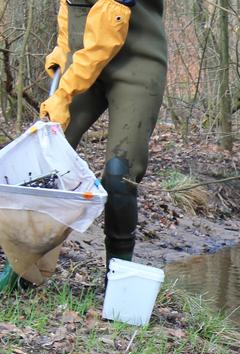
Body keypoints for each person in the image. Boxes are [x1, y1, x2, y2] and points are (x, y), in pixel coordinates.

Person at [41, 0, 166, 270]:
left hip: (137, 63)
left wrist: (64, 93)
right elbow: (69, 8)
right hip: (83, 59)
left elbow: (106, 33)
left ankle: (118, 277)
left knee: (119, 175)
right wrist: (63, 51)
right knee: (43, 159)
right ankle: (23, 266)